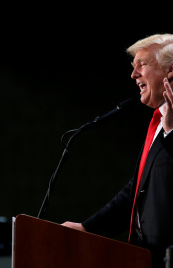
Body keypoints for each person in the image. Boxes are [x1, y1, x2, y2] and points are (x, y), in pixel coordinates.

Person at [62, 34, 173, 268]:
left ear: (171, 71)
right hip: (146, 257)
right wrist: (87, 228)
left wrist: (172, 133)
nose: (134, 75)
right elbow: (138, 189)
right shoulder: (159, 122)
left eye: (142, 64)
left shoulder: (169, 126)